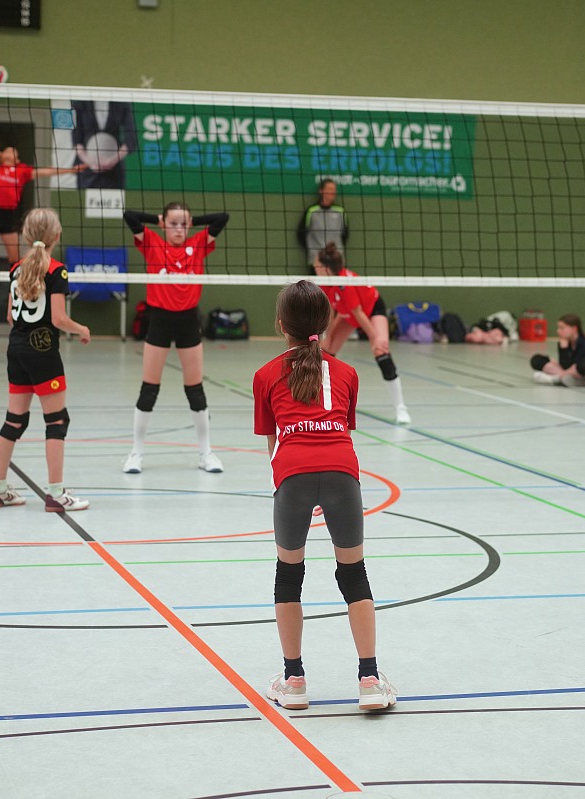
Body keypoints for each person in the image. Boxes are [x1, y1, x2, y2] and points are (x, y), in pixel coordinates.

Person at [253, 279, 397, 712]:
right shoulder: (348, 374)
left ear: (281, 325)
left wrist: (289, 485)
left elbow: (273, 446)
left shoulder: (265, 375)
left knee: (288, 575)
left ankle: (294, 680)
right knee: (354, 575)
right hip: (342, 474)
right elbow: (340, 433)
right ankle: (369, 680)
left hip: (291, 475)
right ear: (328, 323)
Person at [0, 208, 91, 513]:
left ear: (25, 235)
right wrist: (81, 329)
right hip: (43, 353)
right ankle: (56, 494)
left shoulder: (16, 269)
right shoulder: (56, 271)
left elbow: (10, 316)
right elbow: (58, 319)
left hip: (16, 350)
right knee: (56, 421)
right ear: (57, 235)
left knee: (14, 420)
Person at [120, 203, 230, 474]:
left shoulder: (199, 243)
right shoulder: (152, 243)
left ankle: (206, 454)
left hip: (188, 322)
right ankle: (136, 453)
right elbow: (129, 216)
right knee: (149, 389)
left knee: (195, 389)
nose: (179, 229)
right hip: (159, 320)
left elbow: (222, 217)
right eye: (173, 223)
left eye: (183, 224)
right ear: (163, 224)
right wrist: (158, 219)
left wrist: (191, 220)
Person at [0, 145, 86, 325]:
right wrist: (2, 155)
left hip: (8, 215)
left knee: (14, 261)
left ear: (18, 158)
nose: (9, 152)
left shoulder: (21, 171)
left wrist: (71, 170)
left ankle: (18, 297)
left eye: (13, 151)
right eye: (6, 150)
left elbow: (45, 172)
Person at [311, 242, 411, 425]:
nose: (313, 267)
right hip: (349, 313)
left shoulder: (345, 284)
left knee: (381, 350)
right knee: (325, 351)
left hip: (371, 310)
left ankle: (401, 408)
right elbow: (332, 311)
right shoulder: (326, 284)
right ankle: (319, 401)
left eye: (316, 265)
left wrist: (375, 338)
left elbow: (358, 313)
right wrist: (327, 337)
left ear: (325, 269)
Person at [70, 100, 136, 190]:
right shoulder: (78, 103)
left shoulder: (122, 103)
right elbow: (76, 137)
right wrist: (90, 162)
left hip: (114, 171)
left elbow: (131, 139)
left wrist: (112, 161)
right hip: (86, 169)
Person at [529, 313, 585, 386]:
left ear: (574, 329)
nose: (558, 331)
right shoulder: (564, 341)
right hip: (570, 370)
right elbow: (564, 364)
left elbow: (577, 366)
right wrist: (563, 349)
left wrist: (564, 350)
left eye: (562, 328)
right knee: (537, 360)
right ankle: (566, 379)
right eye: (558, 328)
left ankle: (555, 378)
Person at [297, 178, 348, 267]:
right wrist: (313, 250)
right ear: (321, 191)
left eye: (334, 190)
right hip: (316, 261)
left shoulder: (340, 212)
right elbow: (301, 234)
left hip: (336, 262)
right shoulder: (311, 211)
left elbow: (345, 235)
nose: (333, 192)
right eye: (330, 189)